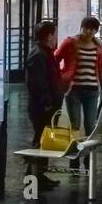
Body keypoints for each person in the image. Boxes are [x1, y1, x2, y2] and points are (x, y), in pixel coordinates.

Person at [56, 17, 102, 170]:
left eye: (92, 29)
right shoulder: (70, 42)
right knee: (75, 125)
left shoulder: (99, 45)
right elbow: (55, 58)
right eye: (86, 28)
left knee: (91, 125)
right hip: (74, 90)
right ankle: (74, 159)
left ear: (96, 31)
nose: (89, 32)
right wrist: (62, 76)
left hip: (92, 90)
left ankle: (88, 159)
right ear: (81, 28)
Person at [25, 20, 64, 191]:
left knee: (44, 141)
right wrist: (47, 103)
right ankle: (32, 180)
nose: (57, 38)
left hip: (49, 106)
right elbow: (38, 82)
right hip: (41, 108)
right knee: (39, 142)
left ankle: (39, 175)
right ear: (49, 36)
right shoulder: (39, 55)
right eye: (55, 34)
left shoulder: (46, 53)